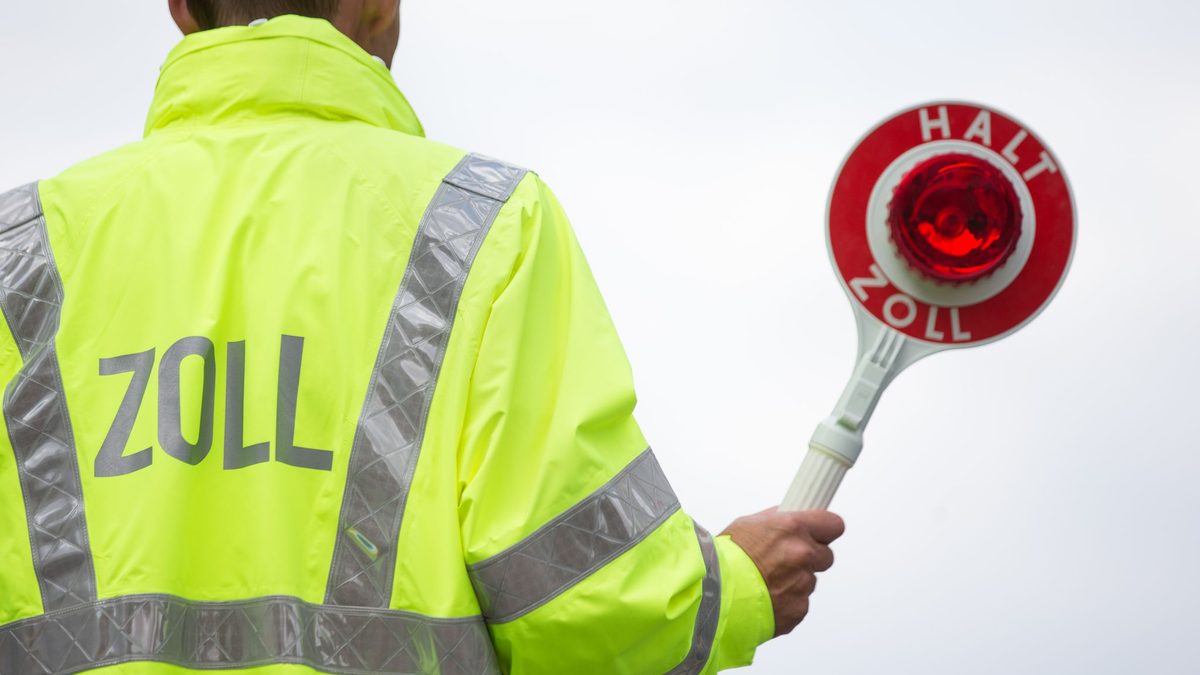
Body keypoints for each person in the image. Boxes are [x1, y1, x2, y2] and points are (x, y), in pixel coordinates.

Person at [0, 1, 844, 673]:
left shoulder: (20, 251)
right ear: (381, 8)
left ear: (181, 8)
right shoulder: (480, 225)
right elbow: (581, 607)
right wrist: (730, 588)